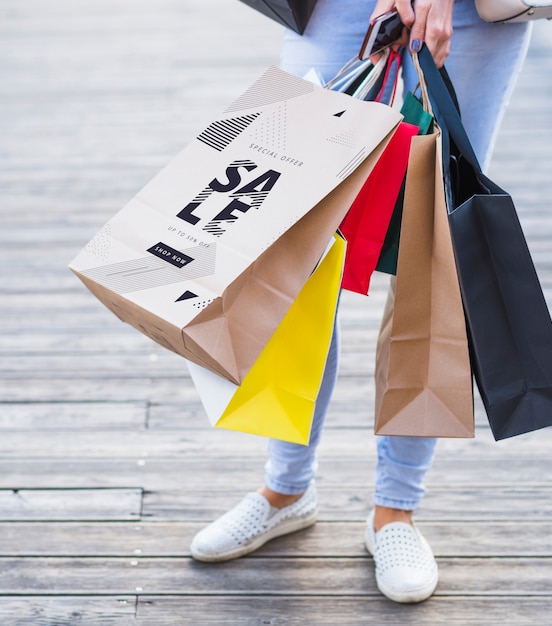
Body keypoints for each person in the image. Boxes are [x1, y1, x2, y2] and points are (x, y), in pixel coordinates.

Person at [190, 0, 532, 604]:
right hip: (333, 11)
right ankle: (286, 488)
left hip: (467, 14)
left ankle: (395, 510)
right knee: (295, 246)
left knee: (434, 246)